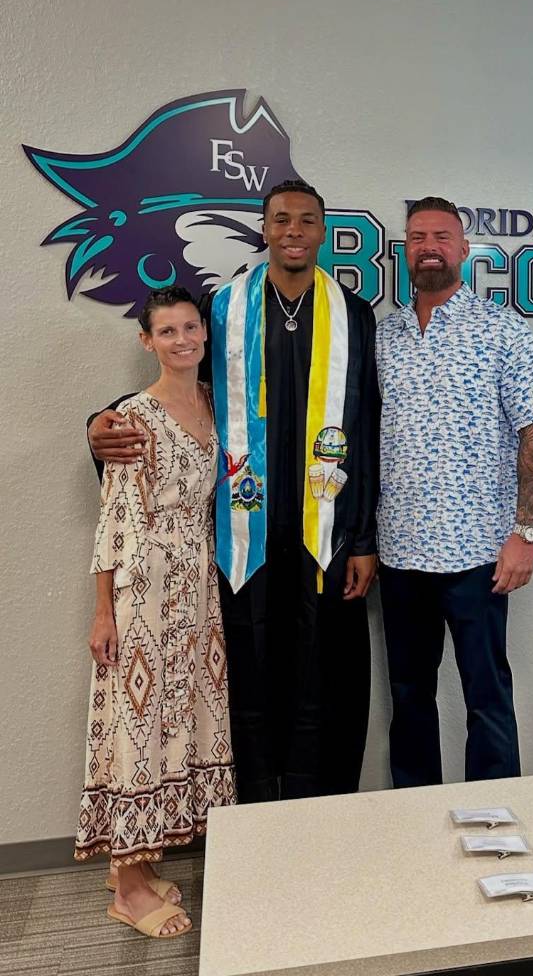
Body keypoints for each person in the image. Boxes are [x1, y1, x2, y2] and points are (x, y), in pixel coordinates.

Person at [88, 180, 380, 803]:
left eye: (306, 220)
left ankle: (320, 808)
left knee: (323, 673)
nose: (293, 230)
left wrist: (362, 536)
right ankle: (245, 811)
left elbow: (369, 426)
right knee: (248, 669)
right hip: (240, 530)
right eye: (281, 220)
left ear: (323, 231)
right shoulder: (223, 308)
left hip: (325, 530)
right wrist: (104, 420)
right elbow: (179, 387)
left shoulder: (354, 314)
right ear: (264, 229)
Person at [376, 196, 533, 787]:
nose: (428, 246)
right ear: (404, 251)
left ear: (463, 249)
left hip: (478, 554)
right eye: (416, 237)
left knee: (487, 694)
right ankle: (415, 812)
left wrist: (525, 532)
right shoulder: (384, 336)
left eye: (441, 236)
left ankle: (495, 820)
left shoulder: (500, 327)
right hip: (398, 552)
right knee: (408, 697)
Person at [76, 286, 236, 939]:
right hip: (144, 585)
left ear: (205, 333)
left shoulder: (213, 404)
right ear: (147, 341)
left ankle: (139, 868)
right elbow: (112, 519)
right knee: (137, 724)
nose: (181, 340)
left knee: (184, 717)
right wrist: (103, 613)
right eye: (166, 331)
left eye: (190, 327)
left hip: (199, 587)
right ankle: (129, 886)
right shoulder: (131, 417)